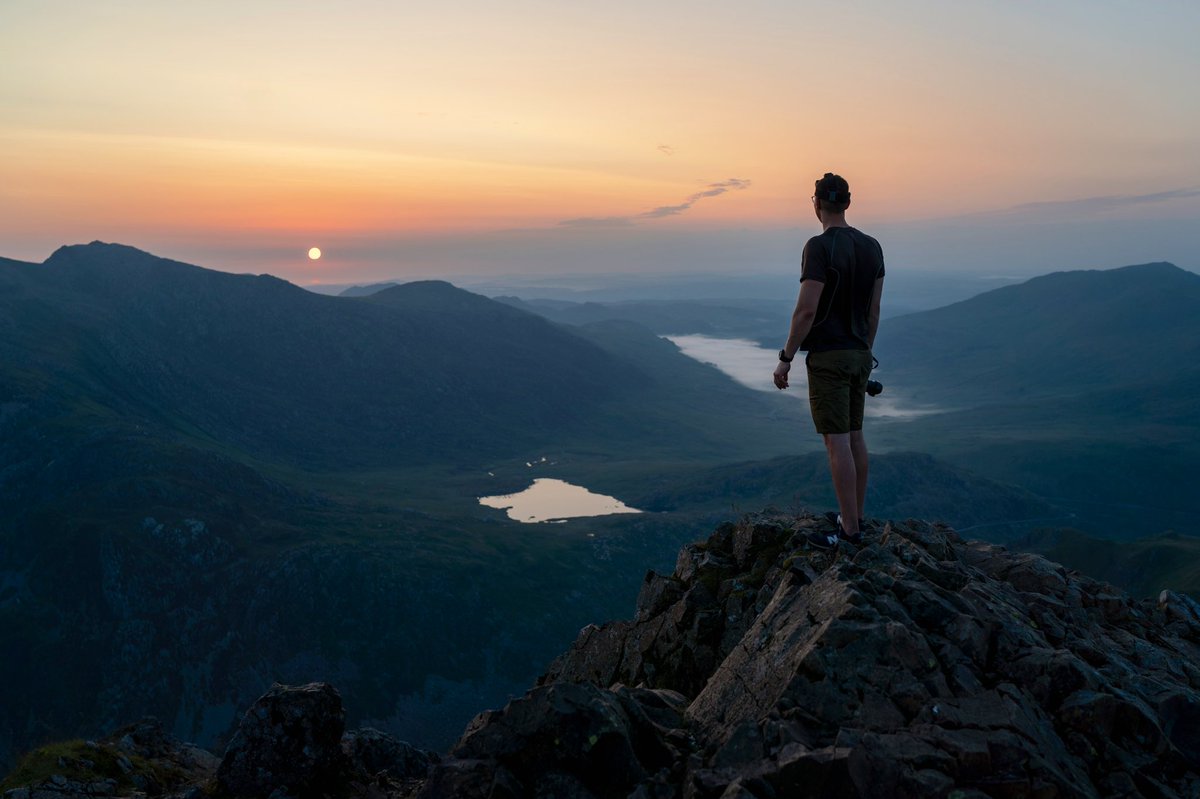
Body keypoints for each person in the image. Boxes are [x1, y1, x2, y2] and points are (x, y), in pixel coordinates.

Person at [773, 172, 885, 548]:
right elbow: (873, 311)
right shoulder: (873, 248)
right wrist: (865, 351)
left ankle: (849, 532)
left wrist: (786, 357)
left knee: (836, 442)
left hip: (829, 357)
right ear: (848, 204)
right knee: (855, 436)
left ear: (816, 204)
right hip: (859, 353)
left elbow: (806, 310)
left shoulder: (818, 247)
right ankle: (856, 518)